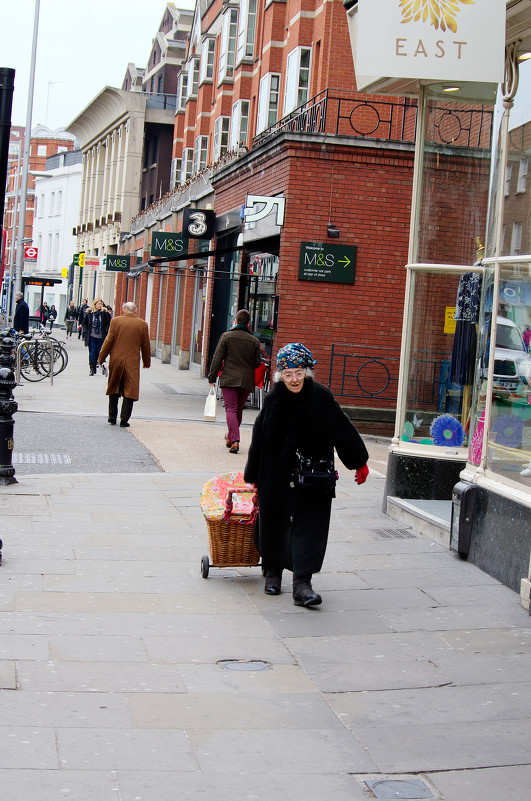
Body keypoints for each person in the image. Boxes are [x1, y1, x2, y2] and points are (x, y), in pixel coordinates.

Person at [244, 343, 369, 608]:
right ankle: (273, 573)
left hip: (314, 474)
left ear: (307, 372)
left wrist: (359, 462)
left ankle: (302, 584)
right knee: (274, 521)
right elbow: (259, 437)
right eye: (287, 374)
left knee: (311, 525)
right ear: (280, 375)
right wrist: (254, 475)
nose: (294, 379)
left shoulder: (320, 397)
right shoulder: (273, 399)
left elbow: (342, 428)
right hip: (276, 473)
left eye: (299, 372)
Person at [207, 309, 261, 453]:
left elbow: (217, 358)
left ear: (236, 321)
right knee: (237, 410)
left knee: (230, 409)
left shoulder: (226, 337)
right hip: (246, 380)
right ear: (248, 323)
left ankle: (235, 441)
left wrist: (212, 377)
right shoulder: (254, 341)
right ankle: (231, 437)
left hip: (229, 378)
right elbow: (257, 363)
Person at [98, 301, 151, 427]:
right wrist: (146, 361)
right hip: (132, 361)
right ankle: (124, 419)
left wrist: (101, 358)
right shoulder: (142, 324)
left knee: (114, 386)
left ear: (123, 310)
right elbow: (145, 345)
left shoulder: (115, 321)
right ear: (135, 310)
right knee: (130, 389)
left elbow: (108, 341)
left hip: (116, 359)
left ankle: (112, 416)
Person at [82, 298, 111, 376]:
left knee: (99, 352)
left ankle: (98, 364)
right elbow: (84, 323)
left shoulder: (105, 314)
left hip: (101, 336)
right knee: (92, 352)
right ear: (95, 305)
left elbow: (109, 323)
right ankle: (92, 368)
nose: (100, 305)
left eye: (101, 304)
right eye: (98, 304)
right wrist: (85, 331)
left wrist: (106, 330)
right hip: (92, 336)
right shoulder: (90, 314)